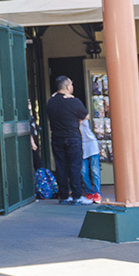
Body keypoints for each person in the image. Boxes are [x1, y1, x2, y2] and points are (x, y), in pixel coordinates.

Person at [43, 76, 93, 204]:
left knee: (61, 167)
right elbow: (86, 116)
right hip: (73, 137)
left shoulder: (51, 101)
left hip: (57, 137)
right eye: (71, 84)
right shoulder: (74, 101)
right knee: (75, 167)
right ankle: (76, 195)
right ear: (67, 87)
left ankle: (64, 195)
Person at [79, 107, 102, 201]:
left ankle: (97, 192)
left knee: (95, 170)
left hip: (91, 144)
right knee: (83, 171)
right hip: (81, 145)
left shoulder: (82, 118)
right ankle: (89, 192)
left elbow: (87, 116)